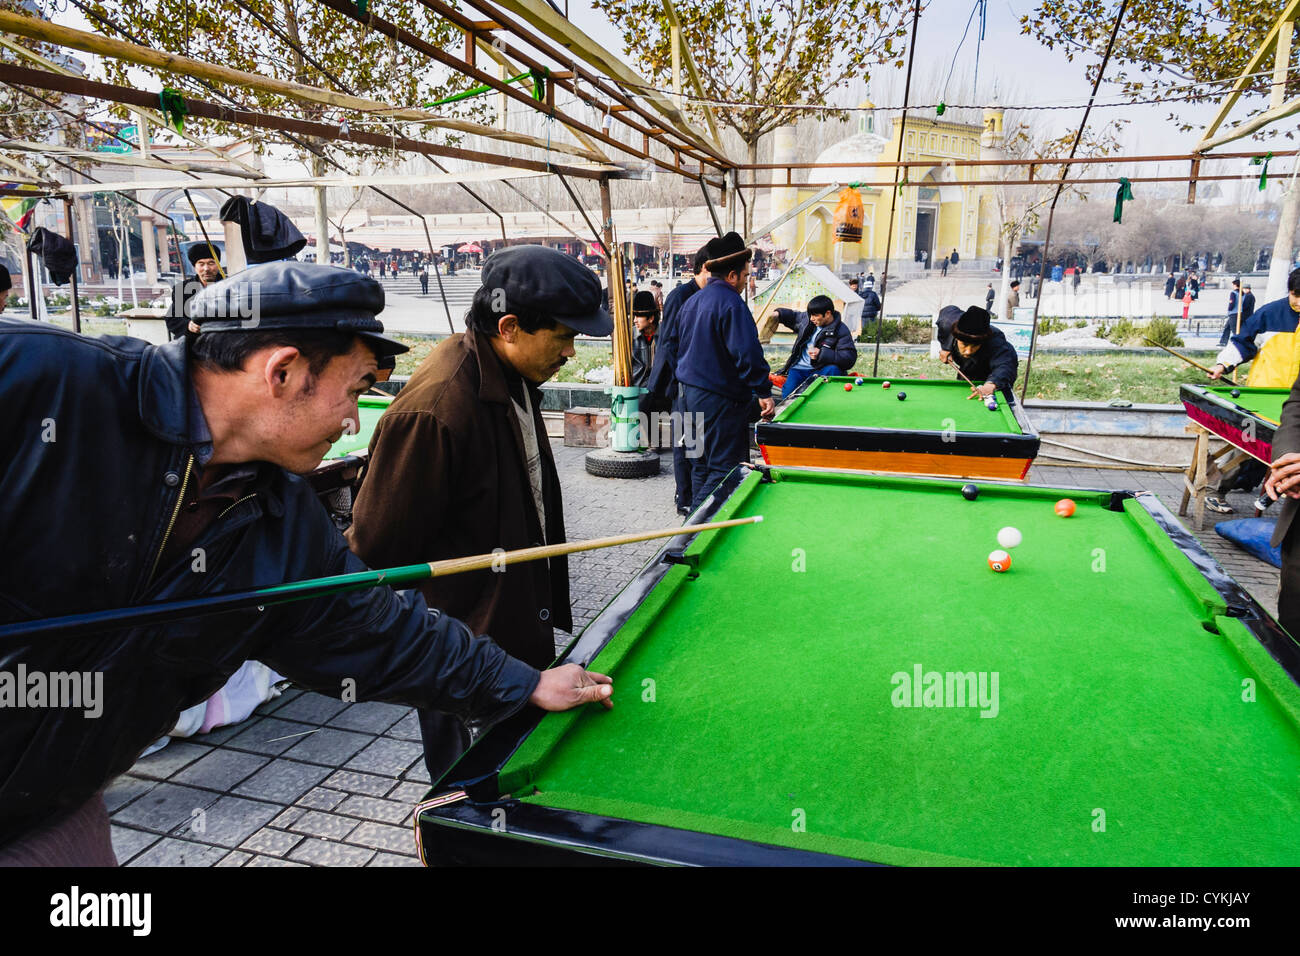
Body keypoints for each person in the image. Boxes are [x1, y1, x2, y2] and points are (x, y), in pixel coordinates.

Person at [0, 260, 610, 865]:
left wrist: (523, 683)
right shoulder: (41, 381)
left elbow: (374, 628)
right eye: (353, 391)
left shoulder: (282, 519)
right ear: (284, 372)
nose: (352, 420)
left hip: (49, 808)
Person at [347, 246, 613, 782]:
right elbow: (375, 552)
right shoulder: (438, 409)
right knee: (471, 791)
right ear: (510, 326)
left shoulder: (507, 371)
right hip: (467, 651)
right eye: (563, 336)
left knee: (517, 776)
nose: (570, 352)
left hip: (514, 629)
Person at [671, 232, 774, 511]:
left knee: (700, 467)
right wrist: (763, 391)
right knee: (722, 470)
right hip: (717, 401)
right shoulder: (731, 304)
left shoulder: (692, 301)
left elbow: (677, 346)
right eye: (744, 276)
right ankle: (691, 535)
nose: (745, 281)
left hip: (686, 398)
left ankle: (691, 527)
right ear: (731, 275)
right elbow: (748, 355)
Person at [647, 244, 710, 515]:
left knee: (696, 442)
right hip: (683, 383)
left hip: (700, 384)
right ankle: (684, 498)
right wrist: (686, 374)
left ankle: (693, 494)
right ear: (705, 268)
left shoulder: (709, 295)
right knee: (686, 441)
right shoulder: (680, 296)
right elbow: (669, 344)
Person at [1212, 269, 1300, 386]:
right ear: (1289, 291)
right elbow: (1243, 342)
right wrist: (1222, 365)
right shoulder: (1268, 313)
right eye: (1295, 295)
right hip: (1265, 392)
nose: (1299, 302)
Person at [771, 294, 858, 399]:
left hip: (821, 370)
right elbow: (793, 316)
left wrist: (821, 354)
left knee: (833, 370)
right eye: (810, 315)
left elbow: (849, 358)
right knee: (788, 397)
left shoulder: (841, 330)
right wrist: (778, 314)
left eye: (815, 315)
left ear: (827, 314)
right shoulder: (807, 319)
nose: (811, 318)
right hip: (798, 369)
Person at [936, 304, 1019, 397]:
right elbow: (947, 310)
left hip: (991, 371)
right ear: (956, 337)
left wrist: (991, 384)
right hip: (967, 368)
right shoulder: (948, 323)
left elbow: (1005, 365)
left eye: (975, 345)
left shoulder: (996, 341)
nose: (968, 351)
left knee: (996, 391)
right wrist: (946, 348)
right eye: (965, 344)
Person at [166, 243, 224, 340]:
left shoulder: (231, 286)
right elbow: (172, 319)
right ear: (195, 267)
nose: (206, 269)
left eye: (211, 263)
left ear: (218, 265)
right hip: (194, 342)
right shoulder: (182, 289)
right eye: (201, 264)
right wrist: (189, 325)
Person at [630, 289, 659, 389]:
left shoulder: (664, 336)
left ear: (651, 318)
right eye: (634, 316)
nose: (635, 320)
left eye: (638, 317)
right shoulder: (630, 336)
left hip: (660, 391)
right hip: (636, 389)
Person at [1219, 279, 1254, 347]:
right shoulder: (1243, 294)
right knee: (1227, 327)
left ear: (1235, 285)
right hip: (1239, 313)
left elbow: (1232, 304)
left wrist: (1229, 310)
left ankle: (1239, 344)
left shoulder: (1234, 293)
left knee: (1235, 330)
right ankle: (1223, 341)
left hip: (1234, 313)